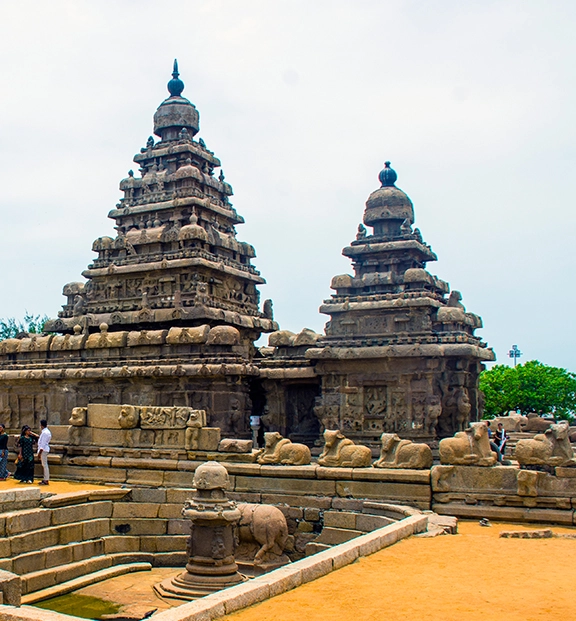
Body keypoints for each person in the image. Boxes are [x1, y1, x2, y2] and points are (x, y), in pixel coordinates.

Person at [37, 419, 51, 485]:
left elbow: (43, 444)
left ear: (41, 425)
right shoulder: (46, 432)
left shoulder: (45, 433)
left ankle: (46, 479)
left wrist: (39, 453)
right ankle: (46, 478)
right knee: (44, 465)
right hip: (44, 449)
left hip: (43, 450)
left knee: (44, 465)